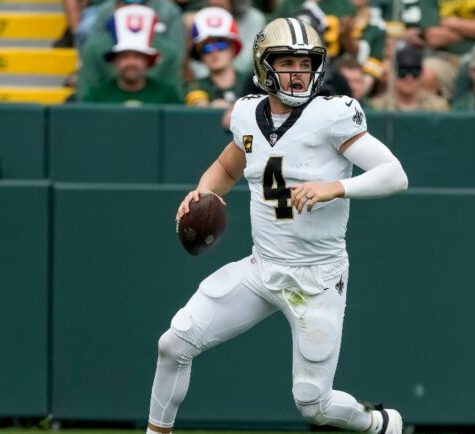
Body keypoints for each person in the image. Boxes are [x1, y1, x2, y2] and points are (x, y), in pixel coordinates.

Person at [146, 17, 408, 434]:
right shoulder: (248, 114)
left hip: (316, 279)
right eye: (287, 62)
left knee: (313, 404)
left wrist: (335, 187)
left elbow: (395, 174)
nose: (298, 72)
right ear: (263, 66)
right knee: (173, 344)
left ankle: (379, 425)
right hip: (262, 268)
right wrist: (201, 193)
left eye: (305, 64)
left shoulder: (332, 115)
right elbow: (225, 169)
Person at [77, 0, 185, 100]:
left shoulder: (170, 51)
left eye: (138, 56)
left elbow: (175, 105)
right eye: (124, 56)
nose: (131, 62)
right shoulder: (94, 47)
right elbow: (85, 98)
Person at [420, 0, 475, 99]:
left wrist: (451, 22)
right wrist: (473, 30)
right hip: (444, 58)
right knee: (426, 74)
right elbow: (434, 38)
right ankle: (438, 112)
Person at [184, 6, 246, 107]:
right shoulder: (196, 87)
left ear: (232, 49)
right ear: (200, 55)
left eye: (220, 45)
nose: (214, 52)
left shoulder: (251, 82)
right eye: (206, 48)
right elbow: (199, 106)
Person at [369, 43, 449, 111]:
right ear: (394, 72)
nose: (409, 78)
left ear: (421, 73)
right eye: (403, 71)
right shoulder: (378, 107)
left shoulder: (437, 107)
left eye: (414, 72)